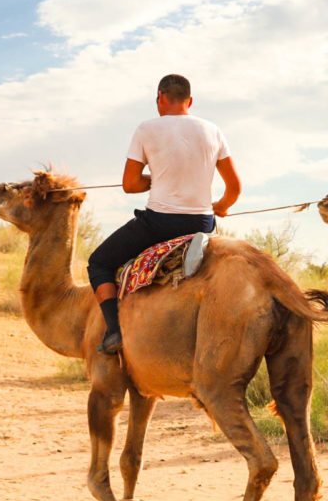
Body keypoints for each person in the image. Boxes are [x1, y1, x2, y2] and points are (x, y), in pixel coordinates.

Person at [87, 74, 241, 354]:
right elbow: (234, 187)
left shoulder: (146, 128)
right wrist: (222, 206)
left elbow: (130, 184)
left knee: (98, 263)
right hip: (203, 225)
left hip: (160, 224)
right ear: (189, 101)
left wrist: (155, 177)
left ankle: (113, 330)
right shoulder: (213, 130)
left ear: (160, 97)